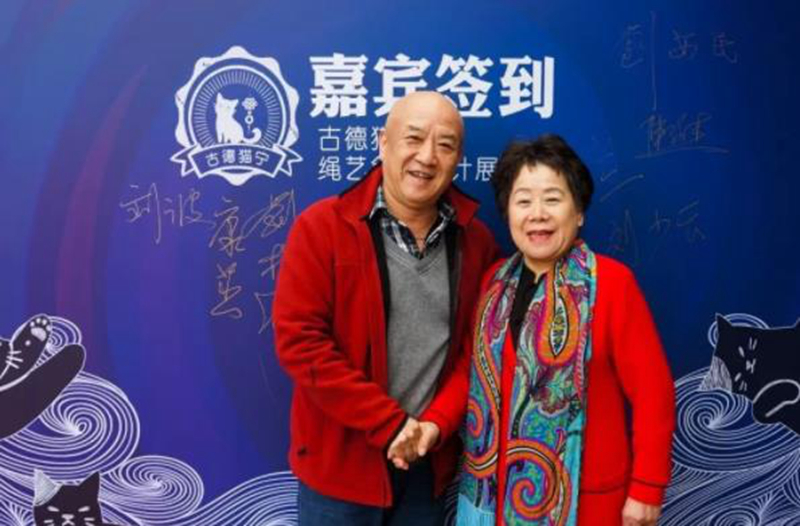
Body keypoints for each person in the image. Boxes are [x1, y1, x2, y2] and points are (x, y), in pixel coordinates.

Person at [273, 91, 499, 525]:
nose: (427, 157)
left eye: (445, 145)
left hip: (425, 468)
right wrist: (389, 423)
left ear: (458, 159)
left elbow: (476, 354)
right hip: (338, 471)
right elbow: (300, 344)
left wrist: (435, 425)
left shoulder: (477, 243)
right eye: (413, 138)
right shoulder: (322, 228)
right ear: (383, 142)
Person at [453, 135, 676, 526]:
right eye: (523, 201)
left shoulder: (612, 284)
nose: (537, 214)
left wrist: (646, 487)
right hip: (494, 497)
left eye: (553, 199)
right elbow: (470, 373)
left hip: (586, 502)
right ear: (507, 212)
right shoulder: (493, 283)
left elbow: (653, 393)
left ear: (579, 212)